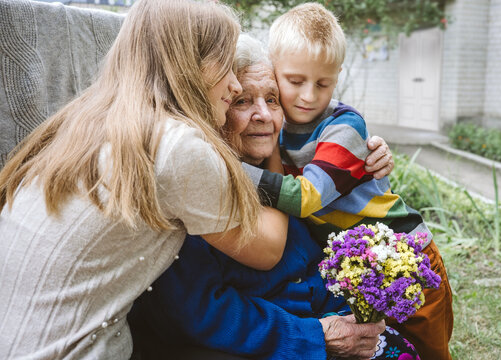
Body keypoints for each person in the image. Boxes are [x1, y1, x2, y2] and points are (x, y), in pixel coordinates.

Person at [0, 1, 290, 359]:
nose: (232, 84)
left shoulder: (89, 119)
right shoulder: (177, 146)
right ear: (185, 61)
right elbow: (267, 250)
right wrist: (280, 156)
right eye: (223, 63)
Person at [128, 34, 420, 360]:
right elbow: (200, 313)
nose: (264, 116)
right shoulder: (191, 188)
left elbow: (332, 127)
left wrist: (366, 147)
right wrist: (315, 336)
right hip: (292, 342)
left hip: (341, 319)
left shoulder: (291, 164)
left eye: (272, 99)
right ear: (212, 108)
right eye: (241, 101)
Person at [238, 3, 453, 359]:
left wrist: (224, 169)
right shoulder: (278, 123)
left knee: (429, 350)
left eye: (323, 83)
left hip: (407, 257)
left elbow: (306, 198)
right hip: (360, 265)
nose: (308, 95)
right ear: (273, 67)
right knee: (386, 347)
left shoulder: (344, 127)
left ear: (338, 75)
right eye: (294, 81)